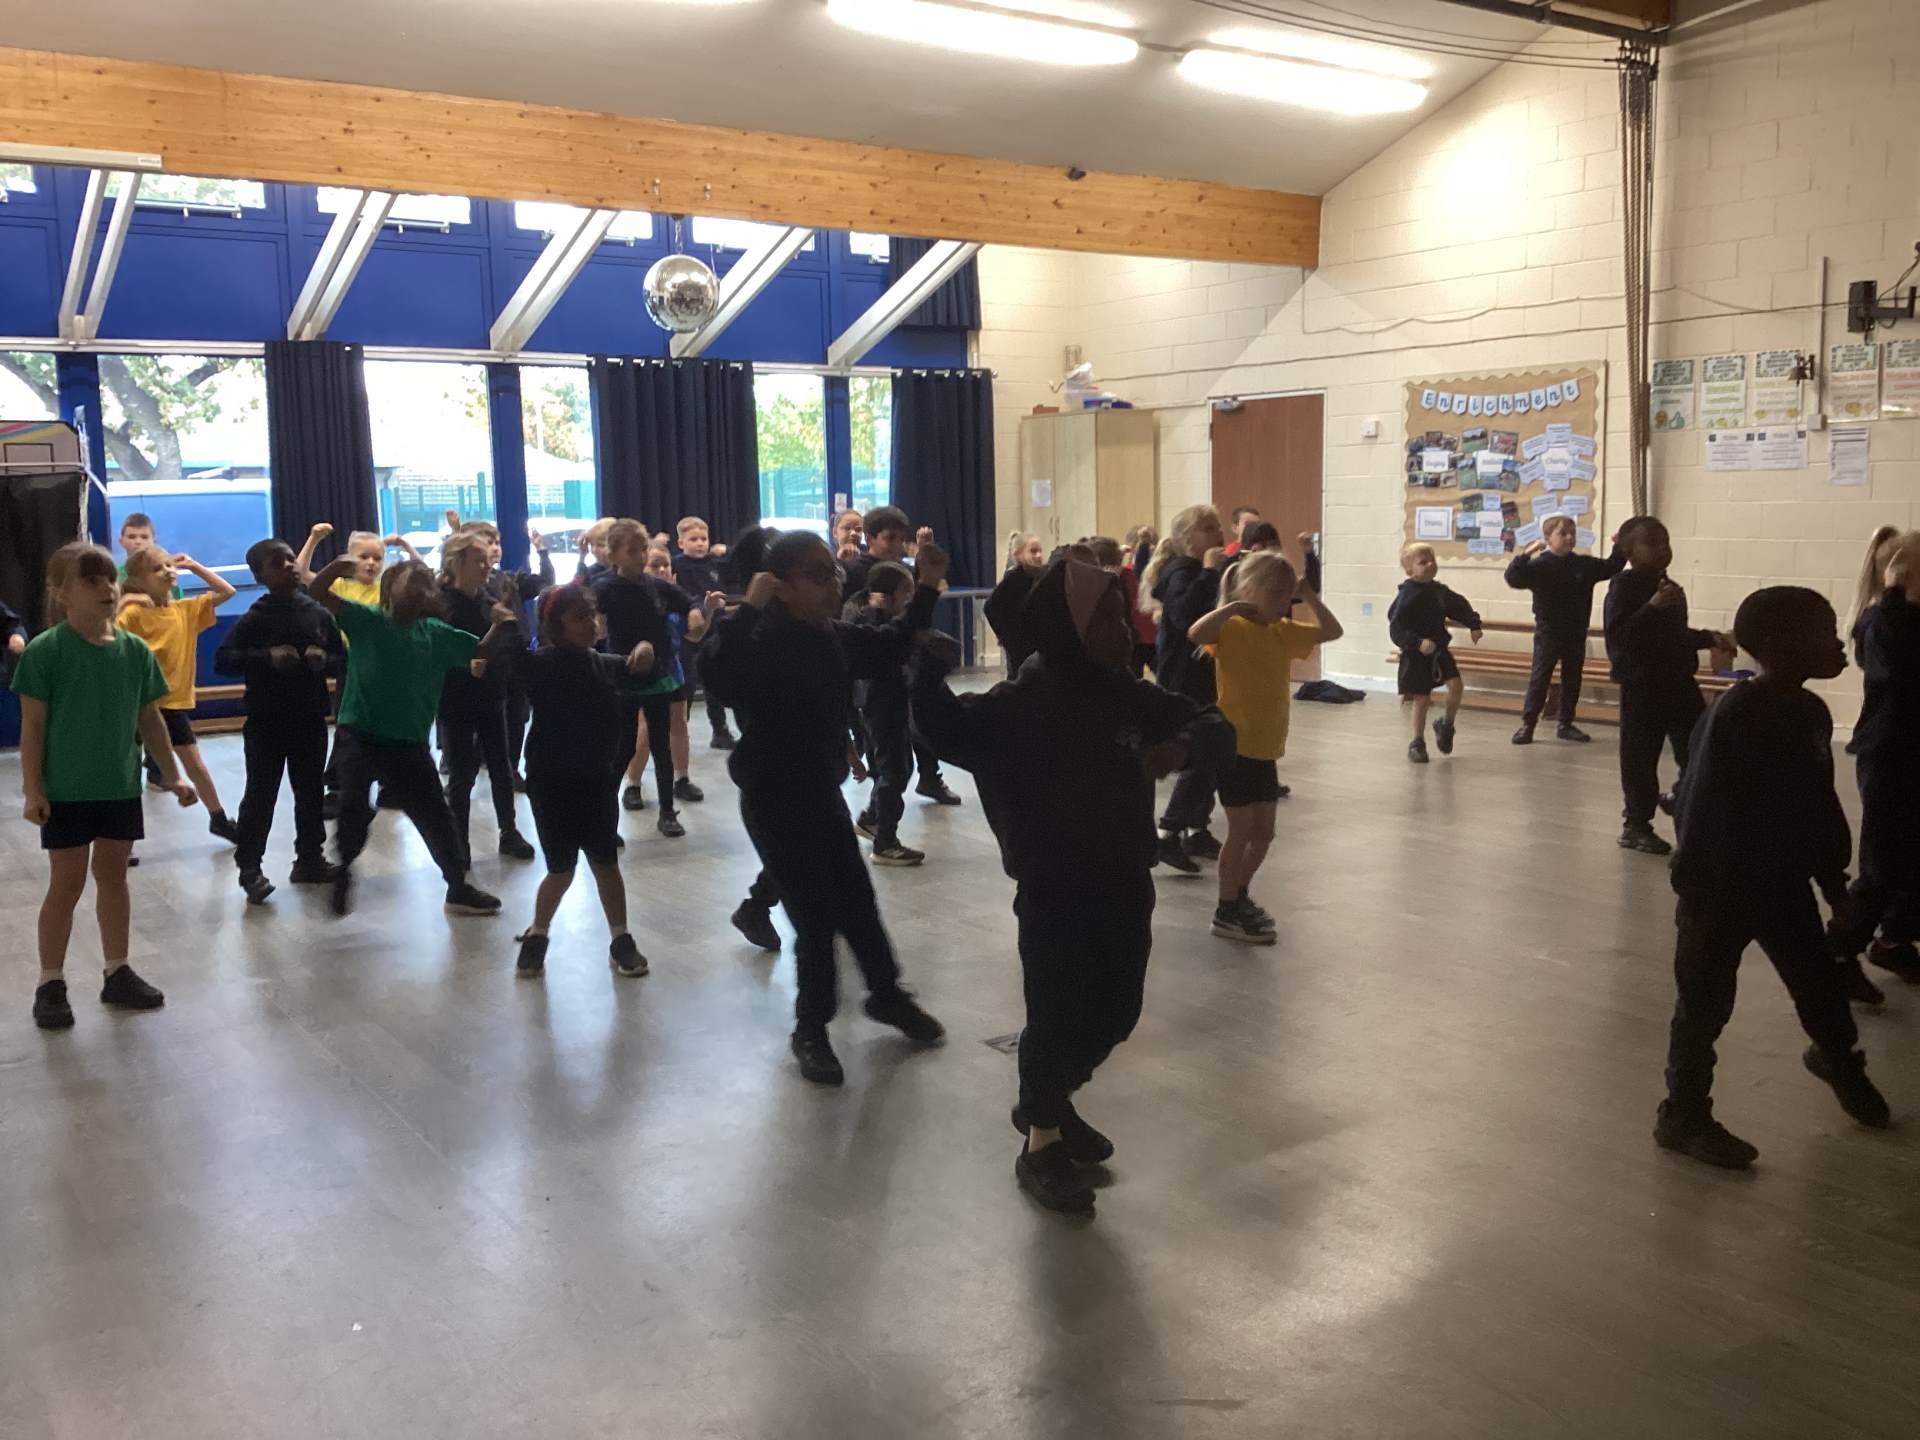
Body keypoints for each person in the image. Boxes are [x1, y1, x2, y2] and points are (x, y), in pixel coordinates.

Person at [911, 556, 1234, 1213]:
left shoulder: (1124, 692)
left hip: (1124, 878)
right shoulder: (1019, 705)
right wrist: (923, 669)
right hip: (1053, 890)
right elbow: (945, 729)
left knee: (1118, 1011)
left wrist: (1182, 746)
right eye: (1109, 617)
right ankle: (1042, 1143)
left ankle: (1047, 1101)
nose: (1126, 628)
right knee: (1056, 1015)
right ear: (1068, 626)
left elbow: (1211, 721)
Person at [1655, 585, 1890, 1169]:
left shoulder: (1810, 713)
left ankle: (1836, 1058)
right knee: (1704, 1004)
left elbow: (1817, 806)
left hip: (1782, 886)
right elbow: (1698, 802)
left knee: (1818, 983)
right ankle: (1683, 1115)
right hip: (1721, 888)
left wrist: (1833, 884)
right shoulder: (1736, 714)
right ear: (1779, 643)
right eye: (1824, 632)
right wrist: (1697, 886)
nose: (1838, 643)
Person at [705, 531, 950, 1086]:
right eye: (817, 576)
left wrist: (929, 585)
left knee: (858, 902)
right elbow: (718, 677)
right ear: (782, 586)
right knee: (814, 917)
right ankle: (810, 1027)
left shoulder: (830, 635)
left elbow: (890, 644)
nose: (834, 583)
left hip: (820, 791)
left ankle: (886, 994)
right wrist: (749, 609)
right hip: (772, 796)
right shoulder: (759, 637)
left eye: (832, 573)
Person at [13, 542, 197, 1030]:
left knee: (113, 877)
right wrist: (34, 790)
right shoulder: (45, 652)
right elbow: (32, 727)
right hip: (66, 791)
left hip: (119, 785)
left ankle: (117, 971)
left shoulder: (134, 651)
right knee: (67, 883)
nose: (107, 589)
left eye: (110, 579)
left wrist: (172, 774)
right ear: (62, 593)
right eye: (91, 581)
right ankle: (50, 983)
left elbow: (150, 718)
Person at [309, 553, 519, 917]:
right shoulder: (366, 620)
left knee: (437, 818)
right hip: (360, 733)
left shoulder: (435, 633)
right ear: (388, 590)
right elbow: (317, 592)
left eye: (424, 583)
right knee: (354, 805)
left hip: (408, 742)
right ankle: (344, 865)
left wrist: (501, 625)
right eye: (410, 581)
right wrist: (336, 567)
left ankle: (457, 886)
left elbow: (479, 651)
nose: (418, 588)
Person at [1188, 551, 1342, 944]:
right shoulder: (1232, 628)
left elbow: (1332, 631)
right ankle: (1225, 908)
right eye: (1275, 595)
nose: (1282, 604)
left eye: (1287, 596)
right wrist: (1231, 608)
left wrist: (1310, 596)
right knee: (1240, 829)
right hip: (1234, 747)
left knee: (1265, 833)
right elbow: (1196, 634)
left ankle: (1239, 894)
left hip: (1265, 748)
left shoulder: (1283, 631)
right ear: (1248, 589)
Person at [513, 585, 650, 980]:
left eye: (592, 615)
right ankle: (538, 933)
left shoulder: (604, 664)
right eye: (579, 618)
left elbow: (640, 667)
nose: (590, 624)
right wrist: (505, 621)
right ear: (556, 626)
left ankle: (621, 938)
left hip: (596, 781)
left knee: (605, 863)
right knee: (561, 869)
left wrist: (644, 652)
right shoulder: (540, 665)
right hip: (551, 782)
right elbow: (510, 657)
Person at [214, 537, 343, 904]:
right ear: (260, 576)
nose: (288, 566)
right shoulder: (255, 617)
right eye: (277, 563)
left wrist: (324, 661)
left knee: (310, 792)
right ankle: (250, 868)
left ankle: (310, 859)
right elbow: (223, 660)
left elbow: (342, 658)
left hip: (310, 717)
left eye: (290, 559)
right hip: (266, 721)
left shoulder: (318, 613)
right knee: (261, 794)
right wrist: (265, 657)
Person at [1604, 517, 1734, 855]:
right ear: (1629, 551)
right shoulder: (1623, 586)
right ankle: (1635, 825)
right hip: (1642, 687)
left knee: (1698, 747)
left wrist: (1707, 638)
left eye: (1666, 541)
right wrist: (1651, 608)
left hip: (1679, 681)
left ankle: (1681, 795)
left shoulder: (1670, 587)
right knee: (1640, 757)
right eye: (1653, 543)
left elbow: (1674, 636)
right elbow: (1620, 639)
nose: (1663, 549)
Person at [1831, 526, 1920, 991]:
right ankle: (1837, 953)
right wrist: (1893, 596)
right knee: (1883, 864)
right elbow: (1899, 670)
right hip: (1889, 755)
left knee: (1912, 859)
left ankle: (1894, 940)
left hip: (1911, 752)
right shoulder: (1880, 623)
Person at [593, 520, 716, 839]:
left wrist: (694, 612)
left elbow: (687, 600)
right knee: (623, 748)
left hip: (658, 676)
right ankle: (606, 821)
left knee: (661, 746)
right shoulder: (605, 588)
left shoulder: (655, 586)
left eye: (643, 550)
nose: (640, 557)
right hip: (624, 676)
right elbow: (589, 615)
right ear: (614, 555)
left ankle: (667, 813)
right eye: (632, 551)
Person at [842, 505, 963, 809]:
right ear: (871, 538)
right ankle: (877, 810)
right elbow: (852, 615)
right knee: (885, 746)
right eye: (889, 538)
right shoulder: (857, 571)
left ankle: (929, 777)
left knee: (922, 721)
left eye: (900, 539)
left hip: (909, 662)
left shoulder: (903, 569)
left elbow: (918, 608)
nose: (896, 545)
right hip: (877, 670)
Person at [117, 546, 240, 841]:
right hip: (136, 704)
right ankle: (122, 836)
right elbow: (105, 635)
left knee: (195, 764)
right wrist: (124, 602)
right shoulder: (133, 613)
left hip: (171, 704)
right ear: (138, 580)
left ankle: (218, 818)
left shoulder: (185, 611)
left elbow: (227, 591)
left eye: (169, 566)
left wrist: (194, 566)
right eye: (157, 568)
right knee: (126, 772)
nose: (167, 571)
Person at [436, 530, 537, 865]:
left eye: (486, 560)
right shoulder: (442, 604)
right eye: (478, 561)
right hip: (456, 697)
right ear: (456, 564)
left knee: (501, 765)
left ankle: (509, 831)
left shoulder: (487, 599)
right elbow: (456, 649)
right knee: (461, 772)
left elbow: (507, 642)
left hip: (492, 693)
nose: (486, 566)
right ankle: (458, 841)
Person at [1145, 504, 1229, 873]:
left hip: (1202, 675)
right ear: (1188, 539)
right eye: (1208, 528)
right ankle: (1169, 832)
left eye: (1218, 526)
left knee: (1213, 749)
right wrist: (1210, 571)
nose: (1219, 534)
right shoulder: (1182, 571)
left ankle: (1197, 827)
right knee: (1203, 750)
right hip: (1183, 678)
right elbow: (1183, 615)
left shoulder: (1200, 571)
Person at [1503, 518, 1626, 745]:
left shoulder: (1582, 564)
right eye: (1562, 533)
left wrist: (1619, 545)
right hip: (1549, 631)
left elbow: (1612, 566)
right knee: (1540, 677)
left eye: (1572, 533)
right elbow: (1513, 578)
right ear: (1548, 538)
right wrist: (1525, 554)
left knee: (1572, 677)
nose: (1569, 537)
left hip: (1576, 630)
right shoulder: (1540, 565)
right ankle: (1528, 724)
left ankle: (1566, 723)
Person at [850, 561, 928, 867]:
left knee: (898, 766)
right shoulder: (874, 625)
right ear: (886, 595)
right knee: (893, 770)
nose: (909, 600)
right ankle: (885, 842)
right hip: (879, 706)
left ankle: (872, 818)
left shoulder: (884, 622)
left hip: (888, 703)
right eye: (905, 592)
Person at [1388, 542, 1483, 765]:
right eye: (1423, 562)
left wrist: (1473, 624)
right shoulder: (1406, 596)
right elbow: (1396, 628)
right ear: (1409, 570)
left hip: (1439, 651)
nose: (1430, 565)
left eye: (1432, 561)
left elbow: (1459, 606)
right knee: (1422, 698)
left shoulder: (1439, 591)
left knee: (1456, 686)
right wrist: (1416, 643)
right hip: (1416, 655)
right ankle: (1417, 742)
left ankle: (1446, 725)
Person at [646, 542, 708, 804]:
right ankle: (632, 784)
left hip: (674, 670)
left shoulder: (678, 599)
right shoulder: (636, 596)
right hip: (644, 674)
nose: (661, 570)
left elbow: (694, 635)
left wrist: (707, 610)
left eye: (665, 565)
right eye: (654, 566)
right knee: (643, 731)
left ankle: (681, 779)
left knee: (679, 724)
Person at [672, 515, 737, 751]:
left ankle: (720, 731)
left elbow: (736, 562)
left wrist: (725, 550)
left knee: (714, 683)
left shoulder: (713, 563)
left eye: (703, 539)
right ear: (681, 543)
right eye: (693, 539)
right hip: (690, 632)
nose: (700, 543)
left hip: (714, 631)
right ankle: (678, 731)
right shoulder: (677, 565)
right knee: (688, 683)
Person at [986, 534, 1047, 676]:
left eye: (1040, 551)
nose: (1038, 555)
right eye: (1033, 551)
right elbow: (990, 607)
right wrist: (1005, 636)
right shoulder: (1014, 578)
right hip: (1020, 646)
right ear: (1019, 555)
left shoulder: (1042, 577)